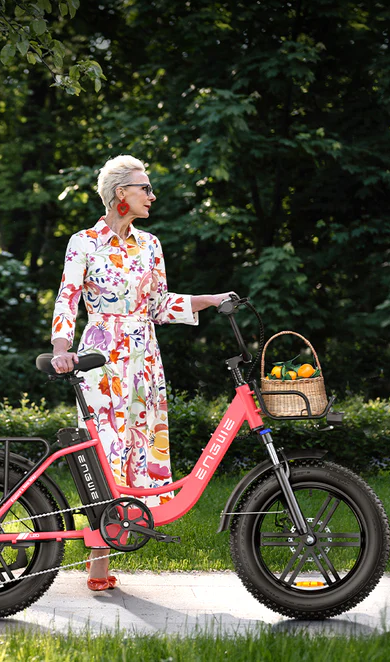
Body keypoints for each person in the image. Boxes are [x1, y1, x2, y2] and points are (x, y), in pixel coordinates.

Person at [49, 155, 234, 592]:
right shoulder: (84, 243)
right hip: (100, 357)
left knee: (137, 445)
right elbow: (67, 297)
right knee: (104, 451)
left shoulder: (150, 245)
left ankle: (114, 541)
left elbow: (158, 305)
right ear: (121, 193)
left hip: (144, 357)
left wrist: (207, 300)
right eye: (144, 188)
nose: (152, 195)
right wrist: (61, 349)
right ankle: (98, 561)